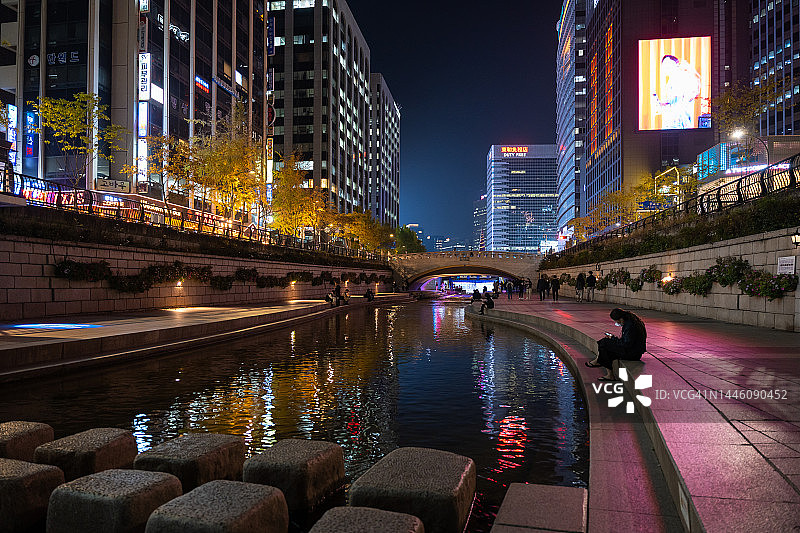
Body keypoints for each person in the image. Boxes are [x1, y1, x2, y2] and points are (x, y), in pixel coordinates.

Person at [586, 308, 647, 380]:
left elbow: (626, 344)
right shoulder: (631, 321)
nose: (617, 323)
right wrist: (613, 339)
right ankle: (608, 373)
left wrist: (613, 339)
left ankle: (600, 363)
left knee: (604, 343)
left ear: (620, 319)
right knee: (605, 348)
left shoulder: (630, 326)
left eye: (616, 321)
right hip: (633, 351)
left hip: (633, 354)